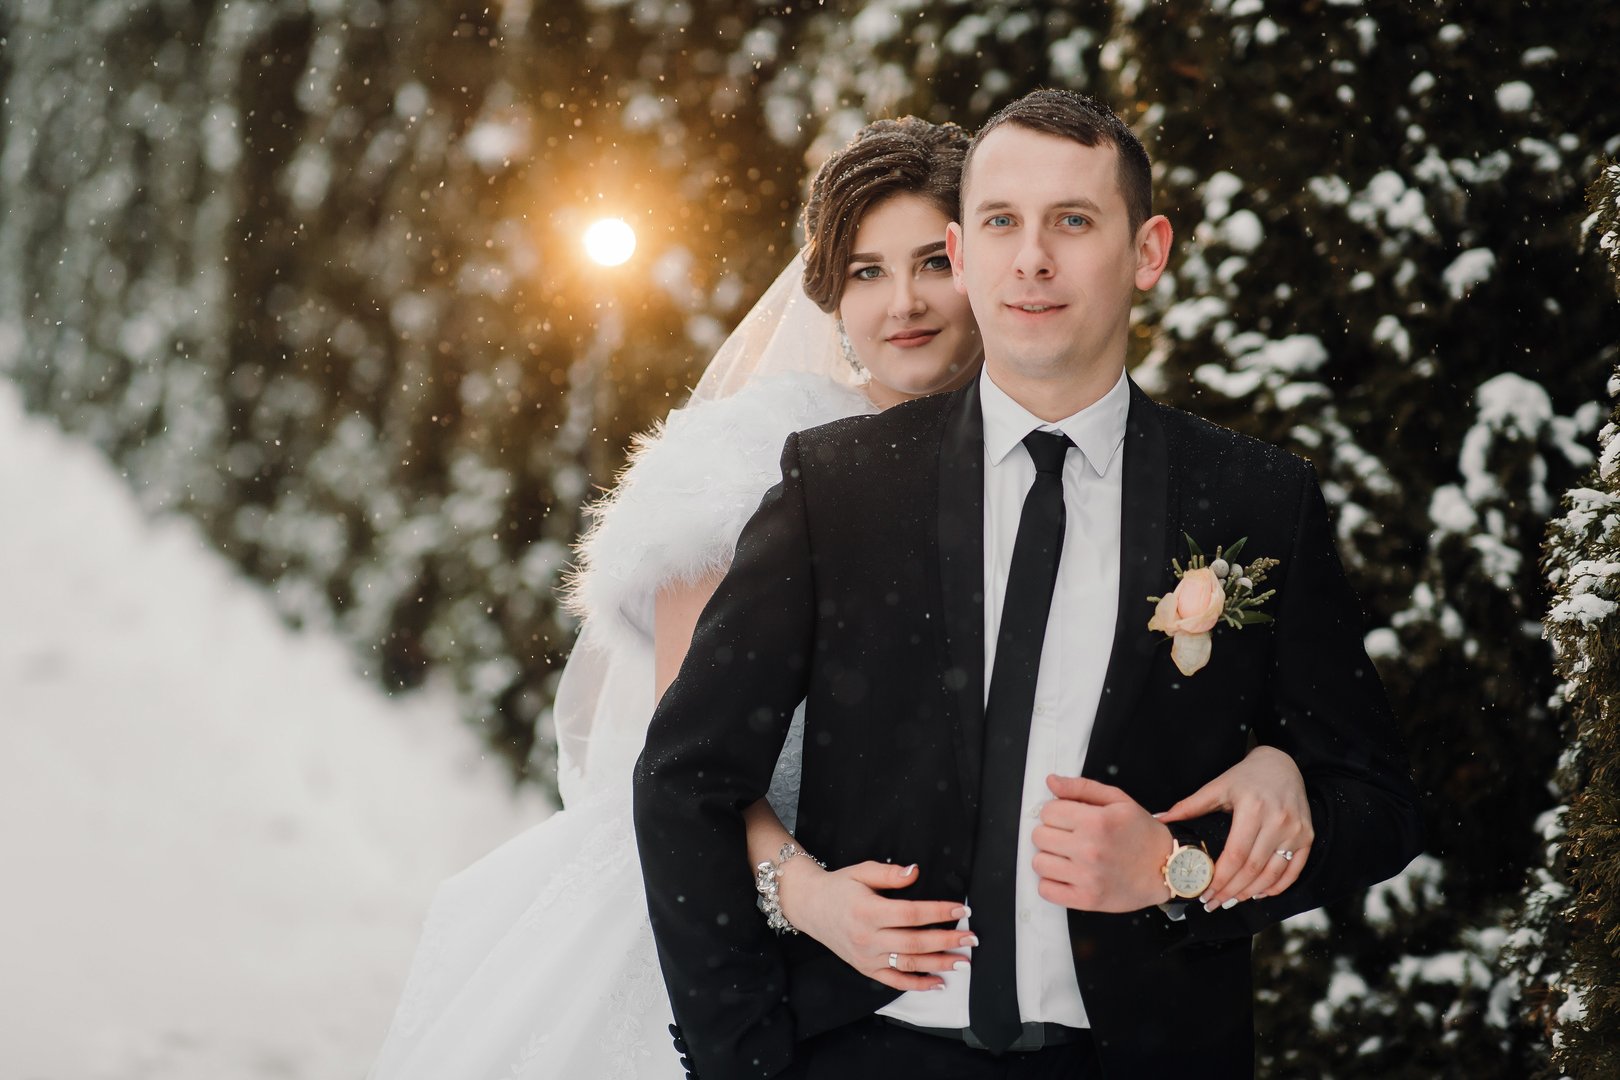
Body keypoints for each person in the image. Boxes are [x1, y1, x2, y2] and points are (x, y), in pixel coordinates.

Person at [368, 118, 1312, 1080]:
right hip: (760, 936)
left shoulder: (1093, 451)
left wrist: (1271, 759)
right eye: (864, 273)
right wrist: (805, 896)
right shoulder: (769, 466)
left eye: (925, 267)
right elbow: (688, 757)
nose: (903, 303)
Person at [633, 91, 1422, 1080]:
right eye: (1002, 222)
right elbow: (684, 779)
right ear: (967, 253)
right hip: (868, 1055)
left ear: (1148, 251)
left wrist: (1186, 869)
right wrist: (742, 1063)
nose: (1033, 258)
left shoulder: (1257, 500)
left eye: (1074, 222)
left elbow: (1377, 803)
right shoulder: (836, 487)